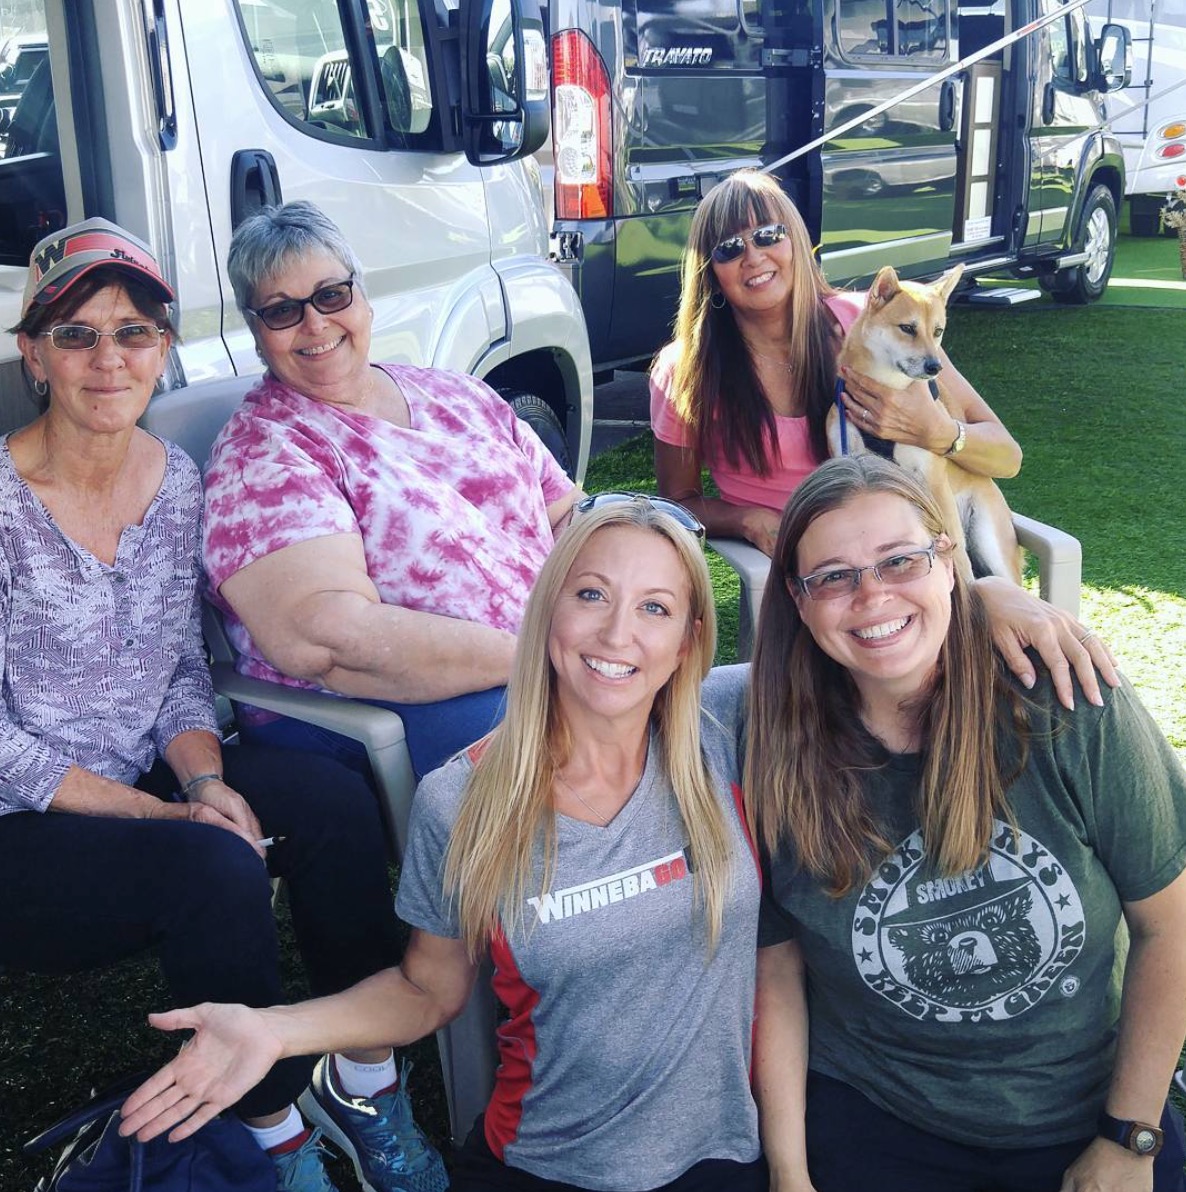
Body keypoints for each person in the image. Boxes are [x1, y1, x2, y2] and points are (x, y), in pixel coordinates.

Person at [120, 495, 769, 1192]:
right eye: (591, 594)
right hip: (546, 1163)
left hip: (723, 1158)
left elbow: (870, 662)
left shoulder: (727, 730)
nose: (616, 633)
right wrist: (279, 1031)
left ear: (689, 641)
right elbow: (427, 989)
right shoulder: (464, 800)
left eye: (654, 608)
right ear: (547, 613)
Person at [0, 217, 446, 1192]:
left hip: (146, 767)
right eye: (76, 334)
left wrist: (205, 774)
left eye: (133, 332)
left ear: (164, 347)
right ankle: (273, 1132)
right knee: (208, 861)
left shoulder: (177, 485)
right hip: (21, 822)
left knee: (327, 804)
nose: (108, 359)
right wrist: (172, 811)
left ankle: (365, 1078)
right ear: (33, 354)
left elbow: (174, 672)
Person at [747, 454, 1186, 1192]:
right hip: (878, 1112)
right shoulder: (768, 748)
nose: (872, 596)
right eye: (834, 577)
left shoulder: (1069, 704)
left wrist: (1130, 1137)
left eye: (901, 561)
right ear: (797, 599)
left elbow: (1170, 925)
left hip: (1085, 1108)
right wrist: (791, 1176)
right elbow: (780, 970)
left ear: (948, 563)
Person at [202, 200, 579, 779]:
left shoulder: (455, 394)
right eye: (282, 311)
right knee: (580, 744)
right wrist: (538, 656)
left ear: (362, 297)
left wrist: (607, 613)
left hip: (544, 652)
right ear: (256, 333)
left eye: (331, 295)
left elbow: (566, 515)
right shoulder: (264, 455)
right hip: (390, 702)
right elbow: (332, 641)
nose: (316, 324)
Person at [651, 168, 1022, 556]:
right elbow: (677, 502)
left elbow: (1006, 457)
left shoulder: (876, 325)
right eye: (729, 248)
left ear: (795, 239)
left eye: (768, 235)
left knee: (1015, 615)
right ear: (710, 271)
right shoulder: (685, 370)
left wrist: (939, 433)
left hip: (907, 547)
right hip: (807, 564)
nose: (754, 256)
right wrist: (747, 519)